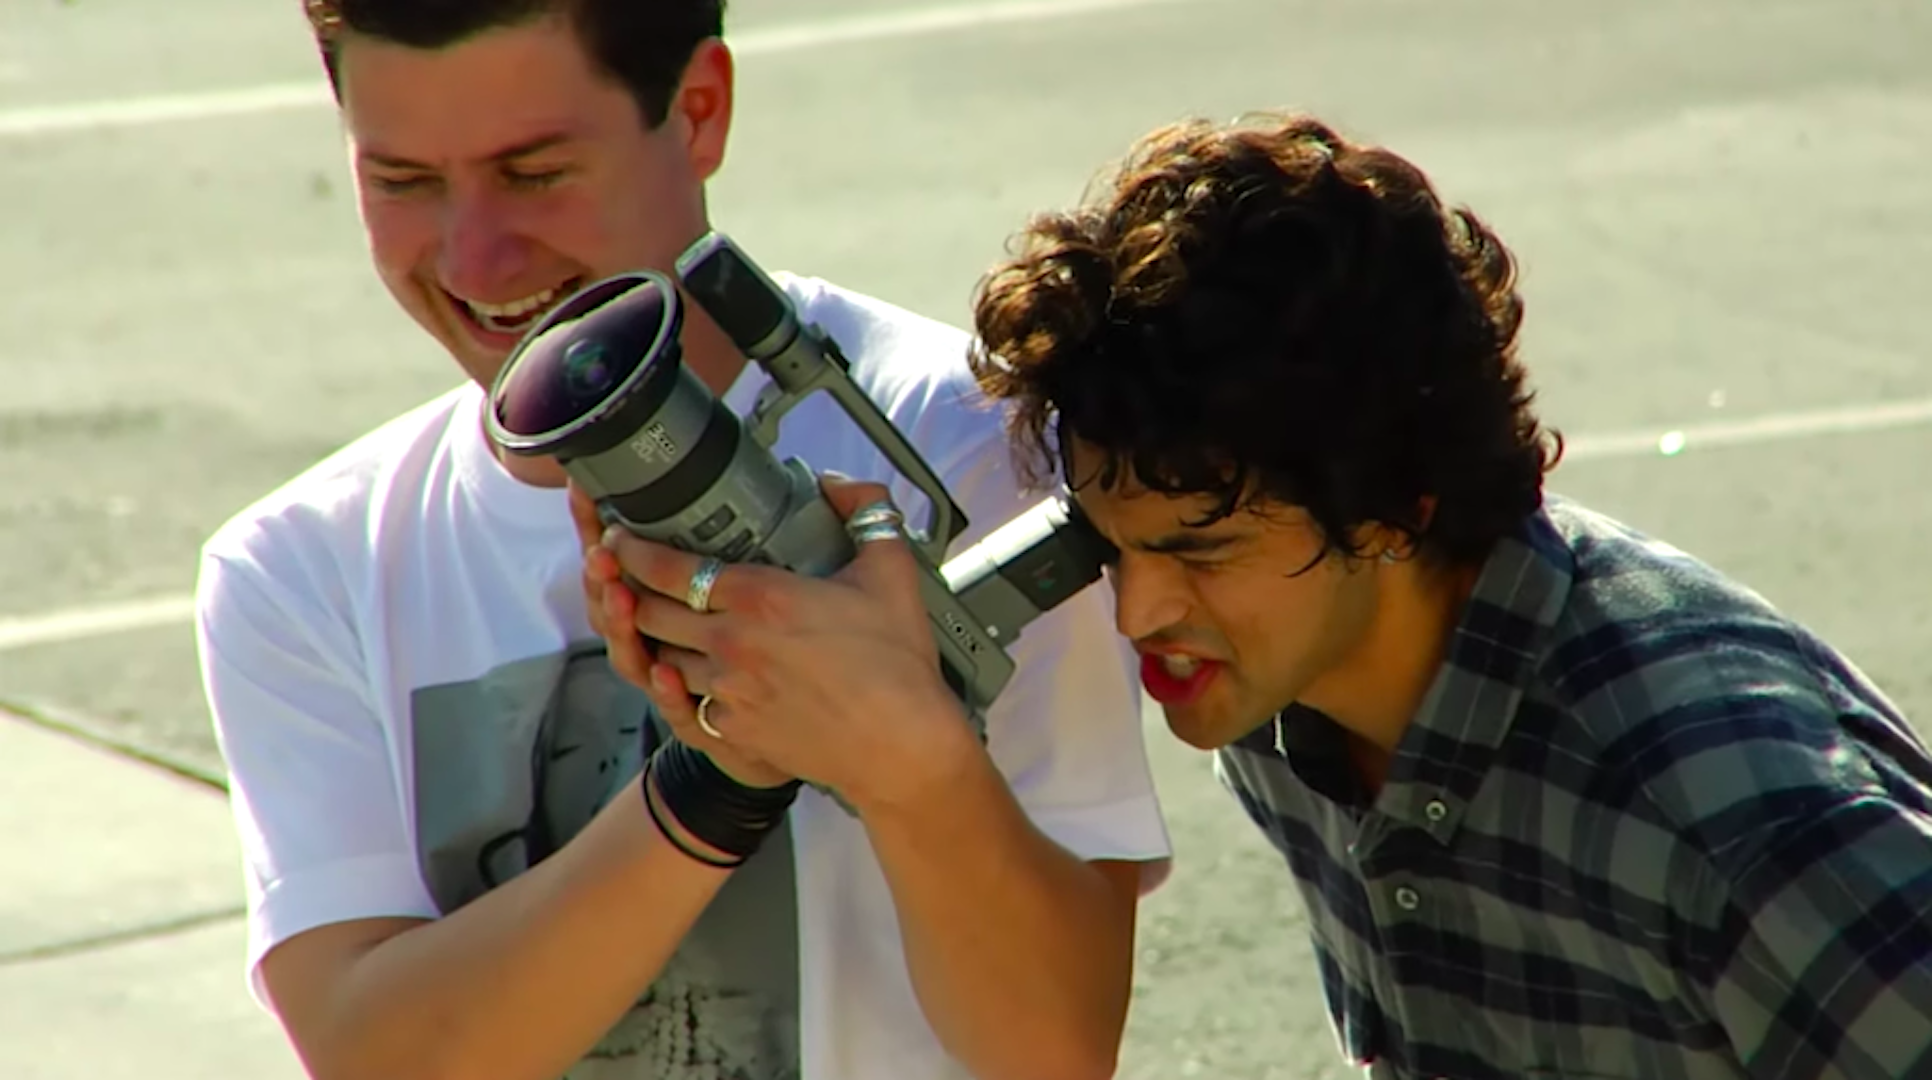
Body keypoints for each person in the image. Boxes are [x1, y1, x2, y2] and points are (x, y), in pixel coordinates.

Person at [193, 3, 1171, 1079]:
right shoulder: (297, 567)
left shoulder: (979, 443)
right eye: (403, 182)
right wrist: (713, 779)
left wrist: (905, 753)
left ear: (699, 110)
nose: (474, 254)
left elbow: (1052, 1051)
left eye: (534, 173)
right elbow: (380, 1058)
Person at [957, 110, 1932, 1079]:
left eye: (1204, 551)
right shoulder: (1280, 702)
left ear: (1391, 509)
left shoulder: (1726, 815)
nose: (1137, 615)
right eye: (1111, 548)